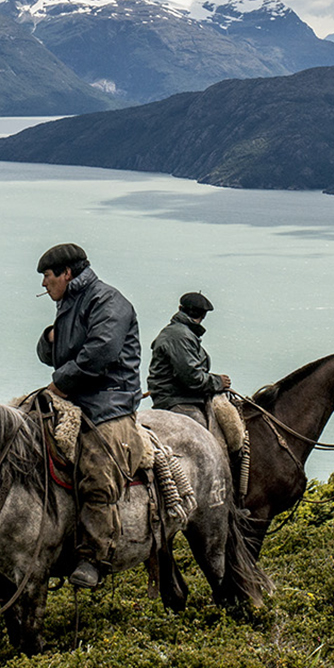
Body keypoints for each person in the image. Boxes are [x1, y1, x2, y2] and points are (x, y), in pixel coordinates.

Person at [34, 242, 142, 587]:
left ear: (67, 273)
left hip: (108, 401)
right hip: (76, 396)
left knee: (96, 469)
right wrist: (50, 339)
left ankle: (96, 557)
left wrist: (61, 384)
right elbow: (53, 354)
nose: (43, 284)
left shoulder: (108, 300)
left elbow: (102, 351)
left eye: (47, 276)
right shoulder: (69, 303)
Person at [146, 291, 230, 426]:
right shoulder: (181, 336)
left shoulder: (180, 333)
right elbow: (192, 377)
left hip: (177, 398)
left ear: (180, 309)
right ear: (203, 315)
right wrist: (218, 382)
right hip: (178, 400)